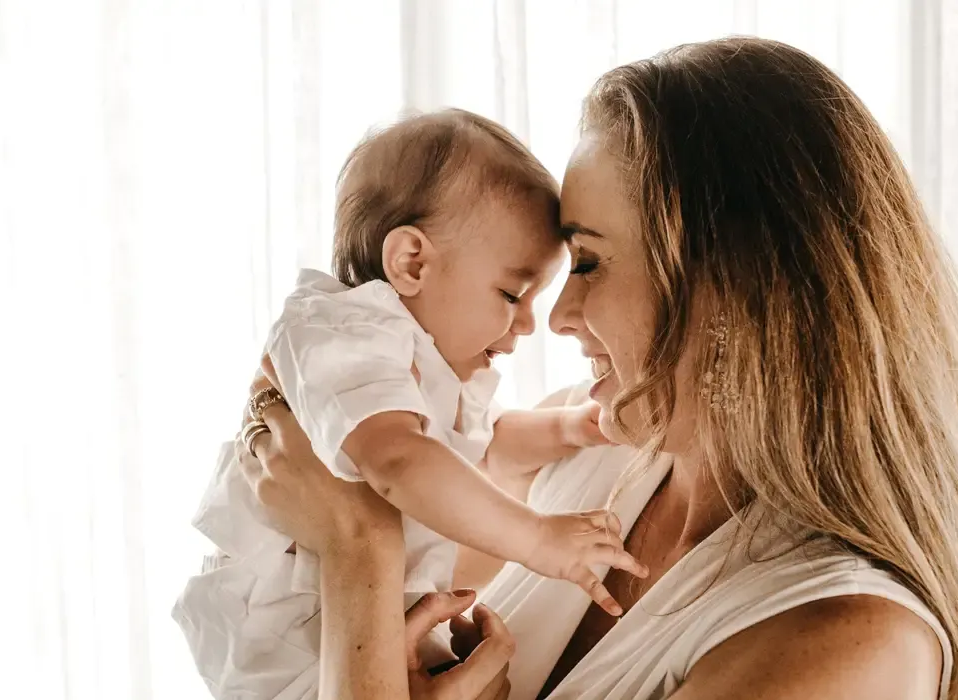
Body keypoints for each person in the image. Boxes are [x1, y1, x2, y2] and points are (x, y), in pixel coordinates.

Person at [240, 37, 958, 700]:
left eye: (586, 262)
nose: (555, 318)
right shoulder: (583, 460)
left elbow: (365, 575)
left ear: (732, 288)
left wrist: (357, 546)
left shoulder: (847, 646)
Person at [174, 109, 643, 700]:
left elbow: (488, 441)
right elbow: (398, 462)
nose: (530, 324)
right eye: (512, 293)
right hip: (292, 649)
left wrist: (575, 427)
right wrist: (538, 539)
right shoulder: (343, 330)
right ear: (412, 263)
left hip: (358, 630)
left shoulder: (419, 363)